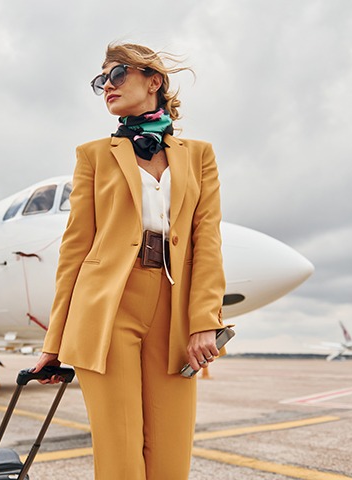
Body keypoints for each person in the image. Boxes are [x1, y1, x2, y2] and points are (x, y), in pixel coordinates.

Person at [32, 42, 226, 480]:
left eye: (116, 75)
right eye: (100, 81)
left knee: (171, 454)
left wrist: (204, 319)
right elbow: (75, 250)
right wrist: (54, 342)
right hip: (108, 308)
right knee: (120, 452)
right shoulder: (93, 155)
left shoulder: (199, 155)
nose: (106, 87)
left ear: (153, 80)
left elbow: (206, 240)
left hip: (174, 307)